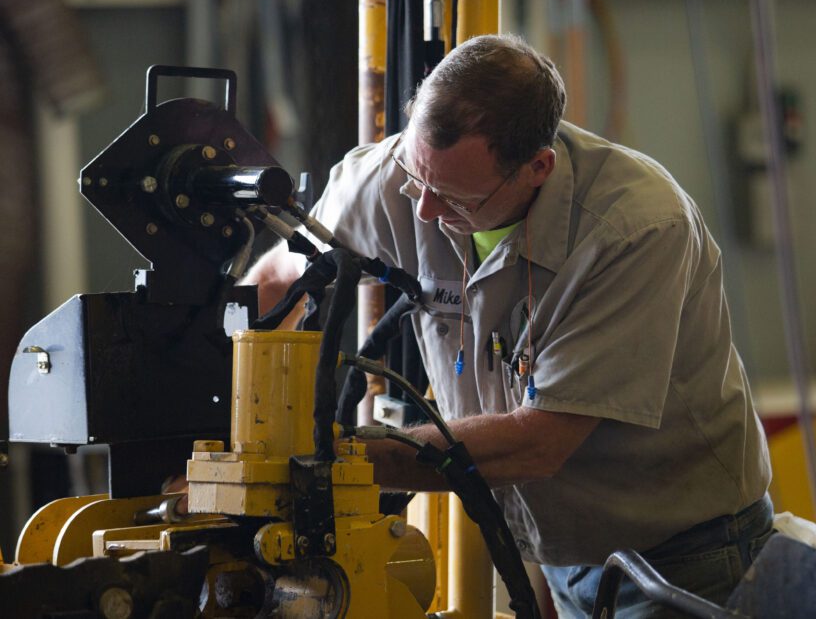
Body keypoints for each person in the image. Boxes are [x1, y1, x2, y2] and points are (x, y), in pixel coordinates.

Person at [246, 34, 773, 617]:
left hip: (681, 559)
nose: (423, 210)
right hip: (561, 548)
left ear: (536, 169)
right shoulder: (403, 178)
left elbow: (537, 443)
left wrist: (324, 462)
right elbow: (278, 283)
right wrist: (239, 418)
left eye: (452, 197)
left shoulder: (635, 231)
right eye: (416, 178)